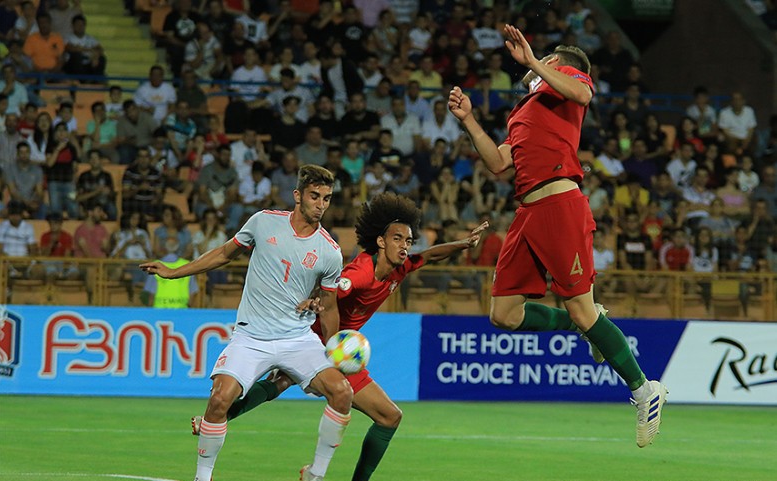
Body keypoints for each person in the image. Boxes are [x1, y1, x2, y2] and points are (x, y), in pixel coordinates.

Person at [447, 25, 667, 448]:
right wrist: (469, 120)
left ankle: (644, 390)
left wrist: (533, 61)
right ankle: (587, 325)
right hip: (528, 213)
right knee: (504, 314)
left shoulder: (571, 78)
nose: (532, 65)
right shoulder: (523, 111)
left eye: (542, 60)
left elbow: (583, 94)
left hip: (560, 205)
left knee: (582, 311)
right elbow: (497, 162)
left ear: (553, 63)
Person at [191, 192, 487, 481]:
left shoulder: (400, 268)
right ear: (381, 241)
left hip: (338, 349)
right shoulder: (361, 272)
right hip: (320, 342)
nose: (405, 247)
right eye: (398, 239)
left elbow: (430, 256)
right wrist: (315, 300)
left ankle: (215, 420)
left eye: (408, 241)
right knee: (282, 382)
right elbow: (337, 287)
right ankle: (217, 421)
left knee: (387, 416)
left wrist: (463, 244)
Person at [140, 165, 352, 481]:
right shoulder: (264, 221)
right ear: (297, 195)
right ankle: (202, 477)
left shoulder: (330, 251)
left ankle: (315, 474)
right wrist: (174, 273)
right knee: (219, 399)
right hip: (252, 337)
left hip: (297, 338)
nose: (321, 204)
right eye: (314, 196)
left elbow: (330, 307)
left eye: (327, 198)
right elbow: (224, 254)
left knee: (342, 392)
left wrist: (331, 350)